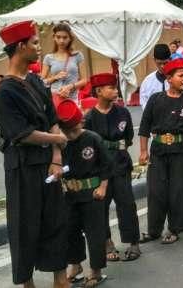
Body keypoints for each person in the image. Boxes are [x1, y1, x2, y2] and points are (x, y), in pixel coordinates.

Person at [0, 20, 69, 287]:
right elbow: (21, 134)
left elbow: (52, 117)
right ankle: (27, 283)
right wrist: (56, 138)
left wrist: (57, 158)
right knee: (25, 225)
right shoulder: (4, 92)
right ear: (21, 47)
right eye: (35, 43)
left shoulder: (36, 81)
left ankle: (61, 279)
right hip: (22, 167)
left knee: (57, 220)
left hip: (48, 164)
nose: (39, 48)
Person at [138, 58, 183, 244]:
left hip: (181, 153)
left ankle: (174, 229)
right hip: (158, 151)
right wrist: (143, 151)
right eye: (181, 75)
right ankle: (153, 230)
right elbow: (144, 126)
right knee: (156, 191)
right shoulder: (156, 99)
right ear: (169, 78)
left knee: (177, 191)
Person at [83, 73, 141, 261]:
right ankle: (107, 242)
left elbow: (129, 139)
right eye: (112, 88)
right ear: (99, 91)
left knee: (127, 204)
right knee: (101, 208)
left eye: (116, 88)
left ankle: (133, 242)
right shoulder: (90, 117)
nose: (116, 91)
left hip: (121, 165)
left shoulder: (123, 112)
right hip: (99, 170)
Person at [56, 99, 110, 287]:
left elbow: (106, 165)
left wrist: (102, 187)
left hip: (92, 193)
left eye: (74, 130)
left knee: (95, 233)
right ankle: (75, 264)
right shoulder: (60, 143)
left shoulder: (92, 138)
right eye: (66, 131)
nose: (70, 135)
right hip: (69, 195)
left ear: (81, 123)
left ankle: (96, 269)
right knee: (71, 231)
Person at [41, 23, 87, 103]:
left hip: (72, 99)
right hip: (55, 99)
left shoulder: (77, 55)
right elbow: (41, 82)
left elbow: (84, 80)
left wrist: (70, 86)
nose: (61, 41)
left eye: (65, 37)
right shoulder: (48, 58)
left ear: (70, 38)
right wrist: (54, 77)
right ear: (54, 37)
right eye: (58, 37)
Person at [139, 44, 171, 109]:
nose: (162, 66)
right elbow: (144, 102)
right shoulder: (147, 81)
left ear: (170, 59)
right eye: (159, 63)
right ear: (154, 60)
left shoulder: (179, 78)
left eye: (165, 63)